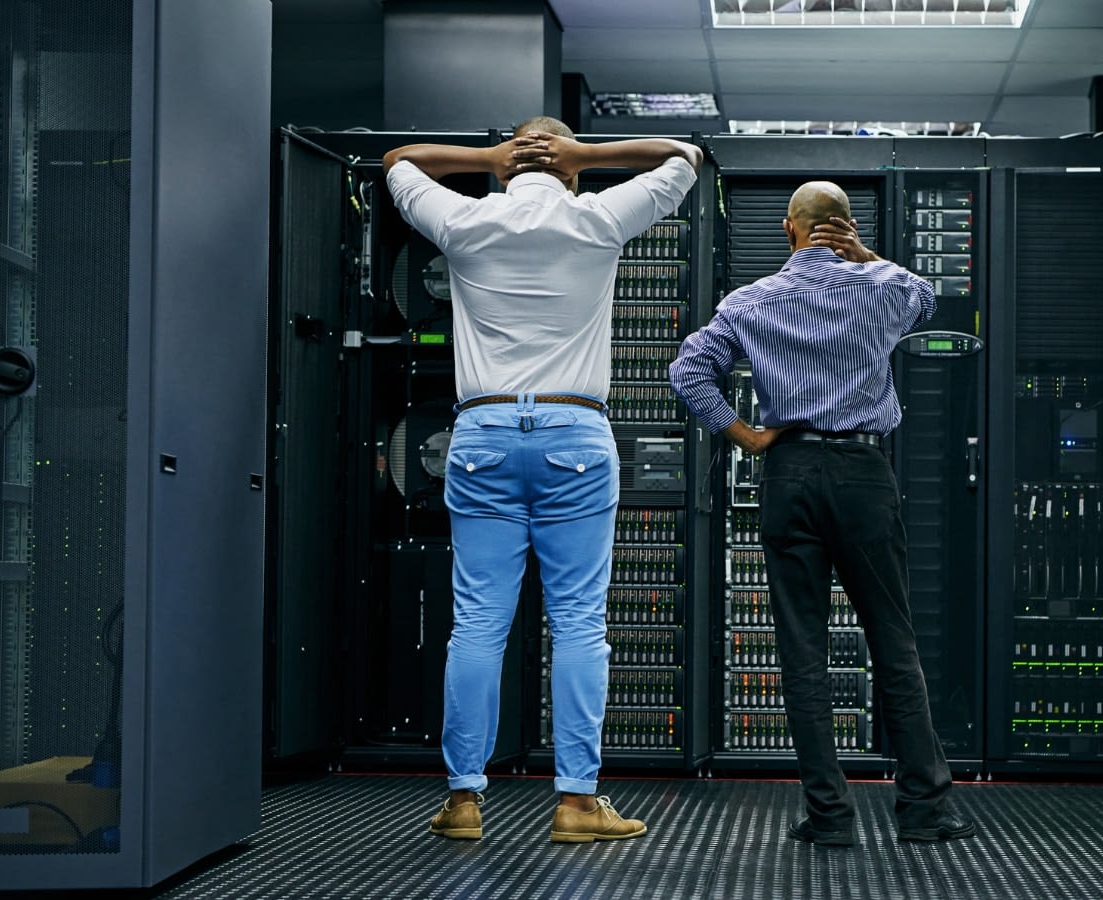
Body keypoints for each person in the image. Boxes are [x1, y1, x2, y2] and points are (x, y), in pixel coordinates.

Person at [383, 118, 701, 843]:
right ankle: (577, 804)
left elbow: (398, 160)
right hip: (574, 435)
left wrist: (487, 157)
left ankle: (463, 801)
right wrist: (585, 155)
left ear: (506, 172)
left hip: (482, 435)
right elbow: (685, 159)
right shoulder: (595, 216)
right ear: (573, 171)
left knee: (478, 624)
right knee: (580, 622)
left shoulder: (464, 218)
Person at [668, 181, 976, 845]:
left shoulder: (750, 301)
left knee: (803, 650)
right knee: (892, 641)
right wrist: (864, 254)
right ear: (845, 227)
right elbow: (927, 296)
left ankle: (830, 816)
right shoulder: (881, 286)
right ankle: (925, 810)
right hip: (864, 473)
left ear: (789, 230)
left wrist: (744, 435)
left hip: (789, 473)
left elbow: (688, 370)